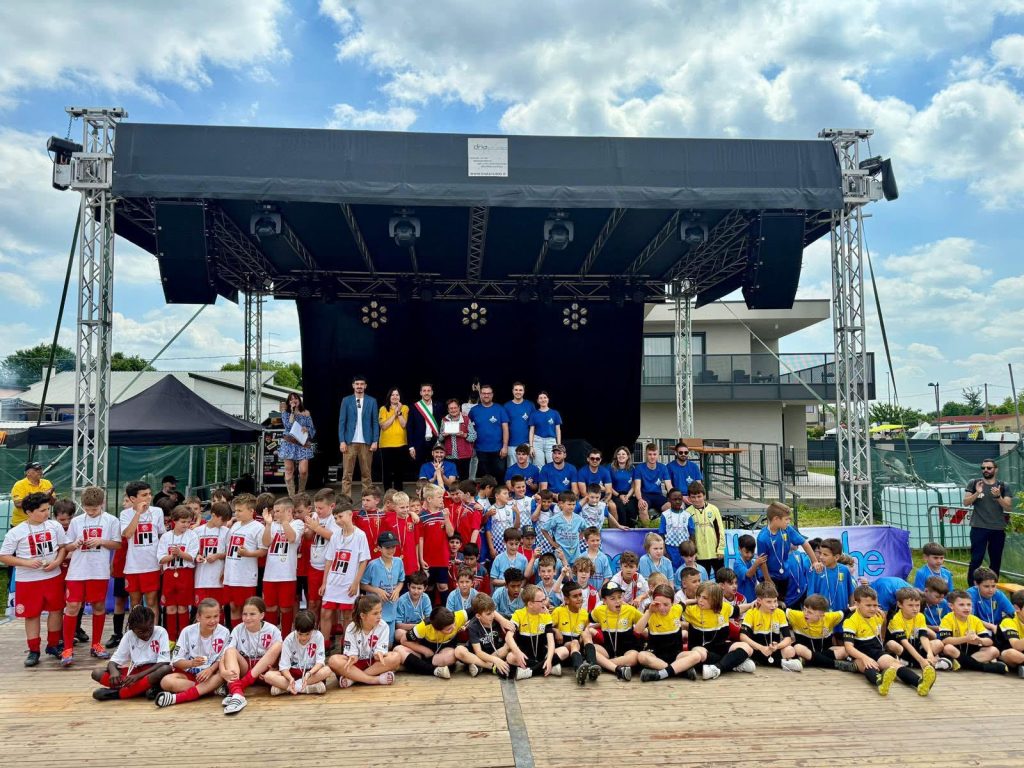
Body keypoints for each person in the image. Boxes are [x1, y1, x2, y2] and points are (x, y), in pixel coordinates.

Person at [0, 491, 66, 666]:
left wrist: (57, 562)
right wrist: (26, 563)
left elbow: (63, 547)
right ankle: (34, 650)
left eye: (47, 509)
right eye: (42, 510)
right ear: (29, 512)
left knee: (56, 610)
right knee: (31, 614)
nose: (46, 513)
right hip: (28, 580)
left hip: (52, 576)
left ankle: (53, 644)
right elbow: (4, 556)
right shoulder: (16, 532)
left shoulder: (54, 526)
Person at [60, 486, 120, 665]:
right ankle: (67, 648)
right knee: (72, 606)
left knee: (98, 606)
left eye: (94, 509)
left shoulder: (111, 520)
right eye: (87, 509)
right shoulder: (77, 521)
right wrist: (75, 544)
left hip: (98, 571)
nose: (91, 512)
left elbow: (117, 544)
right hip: (77, 571)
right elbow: (67, 545)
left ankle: (96, 645)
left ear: (102, 503)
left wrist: (101, 541)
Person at [155, 598, 231, 707]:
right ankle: (209, 690)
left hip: (212, 675)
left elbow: (223, 659)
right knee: (165, 681)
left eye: (216, 616)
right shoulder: (187, 631)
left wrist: (210, 670)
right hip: (190, 675)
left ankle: (186, 695)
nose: (213, 621)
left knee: (221, 675)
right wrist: (191, 663)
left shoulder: (224, 632)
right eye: (208, 617)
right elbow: (176, 661)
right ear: (198, 617)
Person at [90, 606, 171, 701]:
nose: (147, 634)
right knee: (97, 673)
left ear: (153, 623)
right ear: (132, 629)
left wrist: (138, 676)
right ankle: (142, 689)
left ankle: (118, 694)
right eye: (141, 632)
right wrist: (113, 672)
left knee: (165, 669)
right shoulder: (128, 636)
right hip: (136, 672)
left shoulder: (160, 631)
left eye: (150, 629)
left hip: (152, 671)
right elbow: (113, 662)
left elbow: (164, 662)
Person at [220, 597, 284, 714]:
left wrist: (276, 668)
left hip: (264, 672)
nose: (247, 618)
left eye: (252, 614)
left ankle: (236, 689)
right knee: (230, 650)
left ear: (262, 615)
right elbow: (225, 654)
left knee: (278, 645)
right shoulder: (238, 629)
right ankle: (238, 695)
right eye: (245, 614)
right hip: (245, 669)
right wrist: (223, 671)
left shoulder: (273, 630)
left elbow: (281, 656)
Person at [320, 501, 371, 649]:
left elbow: (363, 561)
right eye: (335, 518)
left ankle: (346, 644)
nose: (338, 521)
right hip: (333, 581)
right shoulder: (335, 535)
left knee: (348, 615)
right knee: (325, 613)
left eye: (340, 517)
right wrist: (324, 582)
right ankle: (325, 645)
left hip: (348, 583)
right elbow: (329, 560)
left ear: (350, 515)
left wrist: (356, 583)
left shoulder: (360, 535)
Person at [329, 594, 410, 686]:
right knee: (333, 660)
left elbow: (380, 651)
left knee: (396, 657)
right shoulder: (351, 628)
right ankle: (374, 680)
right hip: (356, 665)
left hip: (374, 665)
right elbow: (352, 654)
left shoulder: (383, 626)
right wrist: (353, 656)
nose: (379, 616)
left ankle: (354, 679)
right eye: (375, 613)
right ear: (363, 616)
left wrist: (379, 653)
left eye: (380, 612)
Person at [842, 585, 904, 696]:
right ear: (857, 604)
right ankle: (880, 682)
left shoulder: (878, 615)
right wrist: (865, 658)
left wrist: (884, 621)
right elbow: (848, 647)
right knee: (869, 666)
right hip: (859, 655)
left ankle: (919, 681)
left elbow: (882, 632)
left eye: (875, 605)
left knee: (894, 663)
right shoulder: (850, 621)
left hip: (876, 651)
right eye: (868, 605)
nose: (872, 609)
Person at [755, 502, 822, 600]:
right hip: (769, 575)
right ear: (776, 519)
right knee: (771, 602)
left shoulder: (787, 529)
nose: (788, 522)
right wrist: (768, 580)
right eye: (786, 519)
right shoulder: (763, 538)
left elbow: (804, 543)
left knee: (782, 601)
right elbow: (762, 561)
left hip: (784, 575)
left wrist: (815, 561)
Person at [119, 480, 166, 617]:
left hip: (152, 564)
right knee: (135, 603)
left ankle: (153, 629)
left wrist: (162, 559)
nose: (149, 497)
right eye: (144, 495)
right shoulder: (125, 514)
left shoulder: (157, 512)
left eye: (150, 494)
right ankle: (136, 628)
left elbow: (162, 535)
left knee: (151, 602)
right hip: (133, 566)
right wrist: (138, 513)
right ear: (133, 499)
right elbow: (128, 534)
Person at [157, 506, 200, 649]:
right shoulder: (166, 536)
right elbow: (160, 558)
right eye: (183, 521)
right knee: (170, 608)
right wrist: (172, 556)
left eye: (188, 522)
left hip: (185, 574)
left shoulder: (192, 536)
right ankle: (171, 639)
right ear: (174, 521)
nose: (186, 525)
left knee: (182, 607)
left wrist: (180, 553)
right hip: (170, 574)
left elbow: (192, 557)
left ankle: (182, 639)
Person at [964, 459, 1012, 584]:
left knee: (995, 561)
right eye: (983, 468)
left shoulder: (1003, 485)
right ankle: (972, 587)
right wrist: (977, 492)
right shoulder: (974, 483)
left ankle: (991, 586)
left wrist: (998, 497)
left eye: (989, 468)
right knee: (976, 559)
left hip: (998, 528)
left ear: (996, 469)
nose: (985, 470)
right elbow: (966, 502)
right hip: (978, 527)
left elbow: (1008, 507)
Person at [223, 494, 267, 628]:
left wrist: (248, 554)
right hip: (231, 574)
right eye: (235, 510)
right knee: (233, 606)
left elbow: (263, 551)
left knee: (246, 608)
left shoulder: (258, 527)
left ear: (251, 511)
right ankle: (235, 634)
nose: (236, 513)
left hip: (245, 576)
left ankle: (248, 634)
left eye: (240, 510)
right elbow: (229, 550)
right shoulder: (235, 525)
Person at [939, 589, 1008, 674]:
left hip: (972, 654)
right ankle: (984, 667)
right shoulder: (947, 619)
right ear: (951, 606)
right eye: (961, 605)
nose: (966, 608)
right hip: (955, 652)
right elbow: (945, 641)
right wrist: (966, 638)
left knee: (994, 651)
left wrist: (979, 640)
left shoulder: (975, 620)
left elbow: (989, 641)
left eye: (969, 605)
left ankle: (961, 663)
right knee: (948, 648)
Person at [737, 582, 803, 671]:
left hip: (774, 650)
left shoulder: (780, 613)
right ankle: (782, 663)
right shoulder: (752, 612)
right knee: (746, 649)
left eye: (775, 601)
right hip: (757, 650)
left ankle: (768, 662)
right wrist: (761, 648)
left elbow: (788, 639)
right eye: (769, 602)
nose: (773, 605)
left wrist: (777, 646)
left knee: (790, 650)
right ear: (759, 600)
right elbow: (743, 636)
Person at [262, 496, 304, 635]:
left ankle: (285, 636)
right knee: (270, 607)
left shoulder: (297, 523)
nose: (275, 514)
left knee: (286, 608)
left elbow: (292, 538)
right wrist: (268, 525)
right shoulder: (273, 525)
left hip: (287, 575)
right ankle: (271, 636)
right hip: (270, 575)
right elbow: (266, 543)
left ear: (289, 511)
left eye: (278, 511)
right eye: (274, 511)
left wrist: (285, 522)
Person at [885, 586, 951, 674]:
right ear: (900, 605)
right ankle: (925, 663)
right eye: (910, 605)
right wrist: (921, 660)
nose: (915, 609)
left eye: (917, 605)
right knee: (891, 644)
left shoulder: (920, 616)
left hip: (915, 647)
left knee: (938, 643)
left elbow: (923, 637)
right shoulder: (895, 619)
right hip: (903, 649)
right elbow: (905, 643)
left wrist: (930, 654)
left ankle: (910, 663)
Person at [400, 604, 478, 679]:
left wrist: (471, 623)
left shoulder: (458, 616)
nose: (454, 628)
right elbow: (403, 640)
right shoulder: (423, 627)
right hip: (425, 652)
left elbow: (478, 607)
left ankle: (420, 665)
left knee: (452, 655)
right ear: (437, 629)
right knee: (399, 649)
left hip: (444, 651)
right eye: (449, 629)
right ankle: (435, 670)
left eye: (454, 624)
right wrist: (424, 650)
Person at [787, 593, 856, 671]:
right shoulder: (797, 615)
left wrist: (857, 607)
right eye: (804, 609)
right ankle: (834, 664)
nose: (805, 613)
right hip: (804, 651)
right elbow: (781, 612)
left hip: (823, 651)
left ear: (822, 614)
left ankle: (808, 661)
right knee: (797, 647)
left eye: (810, 612)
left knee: (845, 650)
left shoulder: (830, 617)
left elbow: (845, 611)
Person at [338, 375, 380, 497]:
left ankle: (367, 501)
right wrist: (342, 441)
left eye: (362, 384)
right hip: (349, 442)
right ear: (353, 385)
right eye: (357, 384)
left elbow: (375, 422)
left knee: (367, 475)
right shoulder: (346, 400)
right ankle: (345, 501)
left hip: (366, 442)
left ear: (365, 386)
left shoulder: (372, 401)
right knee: (347, 475)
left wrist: (375, 440)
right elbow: (342, 422)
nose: (359, 386)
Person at [361, 530, 406, 643]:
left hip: (391, 610)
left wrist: (397, 590)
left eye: (393, 547)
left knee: (389, 643)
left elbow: (401, 580)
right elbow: (362, 584)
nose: (391, 550)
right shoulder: (373, 565)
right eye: (387, 547)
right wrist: (377, 590)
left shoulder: (399, 562)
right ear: (379, 548)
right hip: (375, 611)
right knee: (374, 642)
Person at [506, 584, 558, 680]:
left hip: (542, 654)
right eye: (541, 601)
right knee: (510, 657)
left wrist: (549, 659)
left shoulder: (545, 614)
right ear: (530, 604)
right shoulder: (518, 614)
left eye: (545, 599)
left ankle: (530, 671)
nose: (545, 602)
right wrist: (517, 652)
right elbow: (508, 637)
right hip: (526, 654)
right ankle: (547, 668)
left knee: (564, 651)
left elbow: (551, 641)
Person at [417, 485, 455, 604]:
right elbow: (420, 539)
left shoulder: (444, 513)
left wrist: (446, 518)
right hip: (428, 558)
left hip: (442, 557)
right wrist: (421, 559)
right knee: (428, 586)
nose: (442, 500)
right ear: (429, 499)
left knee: (443, 586)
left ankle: (445, 611)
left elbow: (451, 533)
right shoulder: (421, 516)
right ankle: (430, 611)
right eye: (439, 497)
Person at [466, 593, 517, 678]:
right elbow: (478, 652)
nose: (493, 616)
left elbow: (516, 618)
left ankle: (480, 666)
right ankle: (491, 666)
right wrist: (496, 660)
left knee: (508, 646)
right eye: (488, 614)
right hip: (480, 655)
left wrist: (503, 622)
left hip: (497, 652)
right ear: (478, 616)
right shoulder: (473, 626)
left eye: (494, 612)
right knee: (459, 651)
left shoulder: (498, 618)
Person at [469, 384, 509, 481]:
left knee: (499, 474)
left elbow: (505, 429)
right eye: (484, 393)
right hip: (480, 449)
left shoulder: (500, 409)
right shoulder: (474, 410)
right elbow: (468, 427)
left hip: (498, 449)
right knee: (484, 478)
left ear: (492, 395)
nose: (486, 395)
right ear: (480, 395)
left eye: (488, 393)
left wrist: (505, 446)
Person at [805, 537, 855, 613]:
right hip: (822, 615)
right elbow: (810, 596)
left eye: (825, 555)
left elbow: (851, 592)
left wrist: (851, 611)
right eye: (820, 553)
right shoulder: (817, 571)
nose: (821, 557)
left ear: (836, 557)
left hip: (842, 614)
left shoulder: (844, 570)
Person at [686, 481, 724, 575]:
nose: (696, 500)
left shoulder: (713, 509)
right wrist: (692, 553)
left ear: (704, 496)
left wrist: (720, 549)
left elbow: (720, 530)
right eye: (693, 497)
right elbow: (688, 535)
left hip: (715, 553)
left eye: (699, 496)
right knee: (702, 579)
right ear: (689, 498)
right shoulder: (687, 512)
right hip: (699, 554)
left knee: (721, 577)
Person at [543, 491, 586, 570]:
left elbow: (585, 529)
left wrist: (579, 538)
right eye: (569, 504)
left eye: (573, 504)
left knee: (574, 573)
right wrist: (552, 543)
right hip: (561, 553)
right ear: (560, 504)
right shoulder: (556, 518)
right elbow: (544, 529)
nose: (572, 507)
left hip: (575, 554)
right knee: (560, 573)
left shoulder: (579, 519)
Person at [377, 387, 409, 492]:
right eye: (393, 395)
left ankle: (399, 495)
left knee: (399, 471)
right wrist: (394, 414)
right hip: (386, 444)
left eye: (397, 395)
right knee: (387, 472)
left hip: (401, 443)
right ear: (389, 397)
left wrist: (398, 412)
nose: (395, 397)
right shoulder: (383, 409)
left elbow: (404, 424)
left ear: (400, 397)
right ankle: (388, 494)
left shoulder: (405, 408)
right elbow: (384, 426)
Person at [407, 382, 445, 466]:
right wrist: (411, 446)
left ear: (432, 392)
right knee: (420, 469)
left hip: (434, 443)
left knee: (436, 468)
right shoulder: (414, 407)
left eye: (428, 391)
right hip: (419, 444)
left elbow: (443, 423)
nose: (426, 393)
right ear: (420, 393)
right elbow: (410, 428)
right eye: (424, 391)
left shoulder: (439, 406)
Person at [967, 567, 1016, 632]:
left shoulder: (998, 594)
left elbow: (1013, 613)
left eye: (993, 586)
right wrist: (991, 626)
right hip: (978, 628)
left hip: (996, 627)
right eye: (986, 586)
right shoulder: (970, 595)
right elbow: (968, 617)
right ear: (976, 584)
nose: (991, 590)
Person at [10, 461, 55, 529]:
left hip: (42, 521)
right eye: (36, 470)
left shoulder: (46, 483)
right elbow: (18, 504)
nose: (40, 471)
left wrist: (50, 495)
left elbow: (53, 502)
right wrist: (42, 495)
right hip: (21, 523)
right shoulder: (19, 485)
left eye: (40, 469)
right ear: (27, 473)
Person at [632, 444, 671, 522]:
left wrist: (674, 497)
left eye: (654, 454)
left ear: (658, 455)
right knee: (643, 508)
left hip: (658, 495)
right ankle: (647, 529)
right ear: (646, 455)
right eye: (650, 454)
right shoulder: (639, 468)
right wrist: (640, 499)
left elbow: (669, 486)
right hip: (644, 495)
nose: (652, 457)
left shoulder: (663, 467)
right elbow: (637, 488)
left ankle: (662, 528)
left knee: (670, 506)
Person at [440, 398, 474, 481]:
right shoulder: (444, 420)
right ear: (448, 410)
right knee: (451, 480)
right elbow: (440, 438)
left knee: (464, 480)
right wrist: (443, 435)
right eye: (451, 408)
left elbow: (473, 437)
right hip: (449, 456)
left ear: (459, 408)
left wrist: (464, 435)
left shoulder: (466, 419)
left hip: (464, 455)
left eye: (455, 408)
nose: (453, 410)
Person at [504, 382, 535, 469]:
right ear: (512, 391)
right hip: (511, 444)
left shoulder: (530, 405)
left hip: (526, 443)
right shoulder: (506, 406)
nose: (518, 392)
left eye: (520, 390)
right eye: (516, 390)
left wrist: (532, 445)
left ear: (524, 391)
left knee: (527, 470)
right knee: (512, 470)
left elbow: (534, 426)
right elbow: (503, 427)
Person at [527, 391, 562, 468]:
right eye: (540, 398)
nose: (543, 400)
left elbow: (558, 430)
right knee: (539, 466)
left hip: (551, 441)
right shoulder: (534, 414)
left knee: (553, 464)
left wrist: (559, 445)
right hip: (537, 441)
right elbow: (531, 431)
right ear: (537, 401)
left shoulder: (555, 413)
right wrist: (531, 446)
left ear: (548, 399)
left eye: (545, 398)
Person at [608, 447, 640, 527]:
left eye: (623, 454)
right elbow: (608, 486)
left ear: (628, 456)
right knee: (620, 507)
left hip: (628, 494)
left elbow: (634, 485)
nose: (621, 456)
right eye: (619, 454)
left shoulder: (632, 468)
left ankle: (631, 530)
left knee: (631, 507)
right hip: (615, 494)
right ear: (616, 456)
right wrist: (619, 495)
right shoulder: (610, 468)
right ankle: (621, 530)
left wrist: (627, 496)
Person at [666, 442, 703, 506]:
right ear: (676, 453)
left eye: (686, 452)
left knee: (702, 507)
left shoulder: (694, 466)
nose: (683, 454)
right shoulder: (669, 467)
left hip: (692, 496)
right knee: (680, 507)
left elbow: (699, 485)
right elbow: (669, 487)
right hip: (676, 497)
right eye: (681, 452)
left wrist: (694, 497)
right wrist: (682, 497)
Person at [999, 590, 1024, 677]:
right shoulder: (1008, 620)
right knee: (1011, 653)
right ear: (1017, 608)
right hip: (1012, 654)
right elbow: (1017, 646)